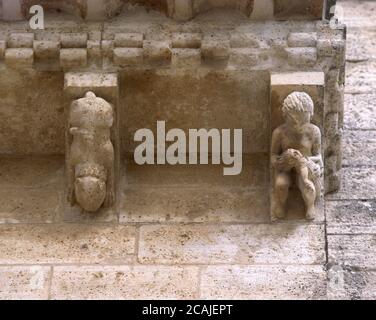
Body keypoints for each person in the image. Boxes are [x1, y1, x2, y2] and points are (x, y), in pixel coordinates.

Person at [271, 92, 323, 221]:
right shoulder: (279, 132)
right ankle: (280, 204)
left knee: (307, 185)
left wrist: (308, 161)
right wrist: (280, 160)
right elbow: (273, 155)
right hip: (286, 165)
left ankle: (310, 206)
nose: (298, 125)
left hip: (304, 165)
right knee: (281, 184)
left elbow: (319, 156)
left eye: (303, 120)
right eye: (294, 121)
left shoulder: (314, 131)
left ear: (310, 116)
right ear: (285, 115)